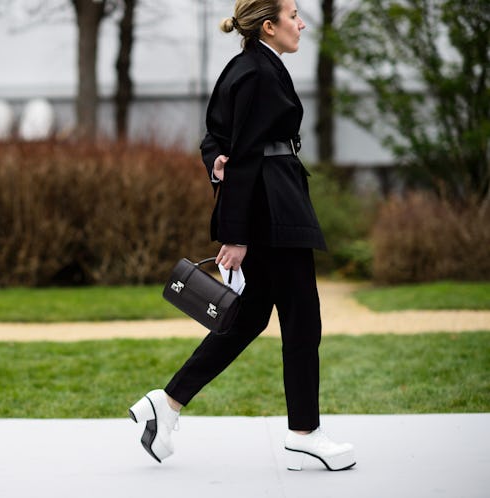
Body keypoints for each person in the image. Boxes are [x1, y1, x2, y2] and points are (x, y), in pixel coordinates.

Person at [128, 0, 355, 472]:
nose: (302, 23)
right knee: (301, 319)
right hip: (271, 216)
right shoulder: (256, 73)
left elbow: (216, 142)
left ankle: (166, 404)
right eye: (294, 16)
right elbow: (244, 155)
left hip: (272, 210)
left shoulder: (247, 67)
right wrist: (235, 233)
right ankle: (304, 433)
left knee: (249, 319)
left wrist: (216, 164)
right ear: (269, 26)